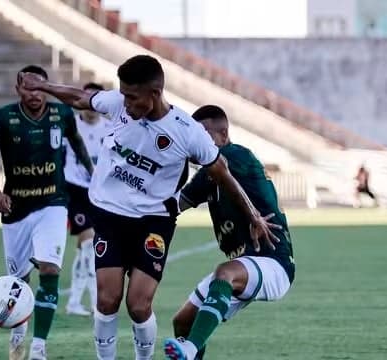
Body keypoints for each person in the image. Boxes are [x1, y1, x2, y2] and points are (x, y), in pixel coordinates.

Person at [22, 55, 279, 360]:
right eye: (123, 94)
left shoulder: (186, 131)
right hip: (110, 215)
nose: (126, 103)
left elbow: (221, 172)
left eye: (132, 97)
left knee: (138, 305)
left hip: (154, 221)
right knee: (107, 299)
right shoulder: (119, 105)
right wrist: (44, 86)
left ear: (154, 94)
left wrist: (253, 215)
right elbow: (81, 97)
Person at [0, 65, 93, 360]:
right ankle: (18, 335)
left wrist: (93, 173)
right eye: (28, 88)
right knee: (19, 280)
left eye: (40, 88)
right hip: (16, 210)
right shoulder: (3, 117)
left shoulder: (61, 114)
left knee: (50, 269)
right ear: (18, 90)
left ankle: (39, 347)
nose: (35, 94)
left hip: (53, 203)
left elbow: (77, 142)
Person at [161, 105, 295, 360]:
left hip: (272, 261)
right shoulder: (209, 172)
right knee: (183, 322)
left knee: (225, 271)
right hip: (244, 264)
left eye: (203, 133)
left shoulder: (234, 156)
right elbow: (174, 205)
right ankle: (189, 348)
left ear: (223, 134)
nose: (196, 141)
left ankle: (189, 350)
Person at [64, 82, 109, 316]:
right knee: (90, 245)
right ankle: (95, 303)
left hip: (99, 193)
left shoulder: (110, 128)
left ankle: (74, 302)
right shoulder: (69, 125)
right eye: (87, 101)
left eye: (95, 101)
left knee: (86, 249)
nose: (91, 107)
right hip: (75, 190)